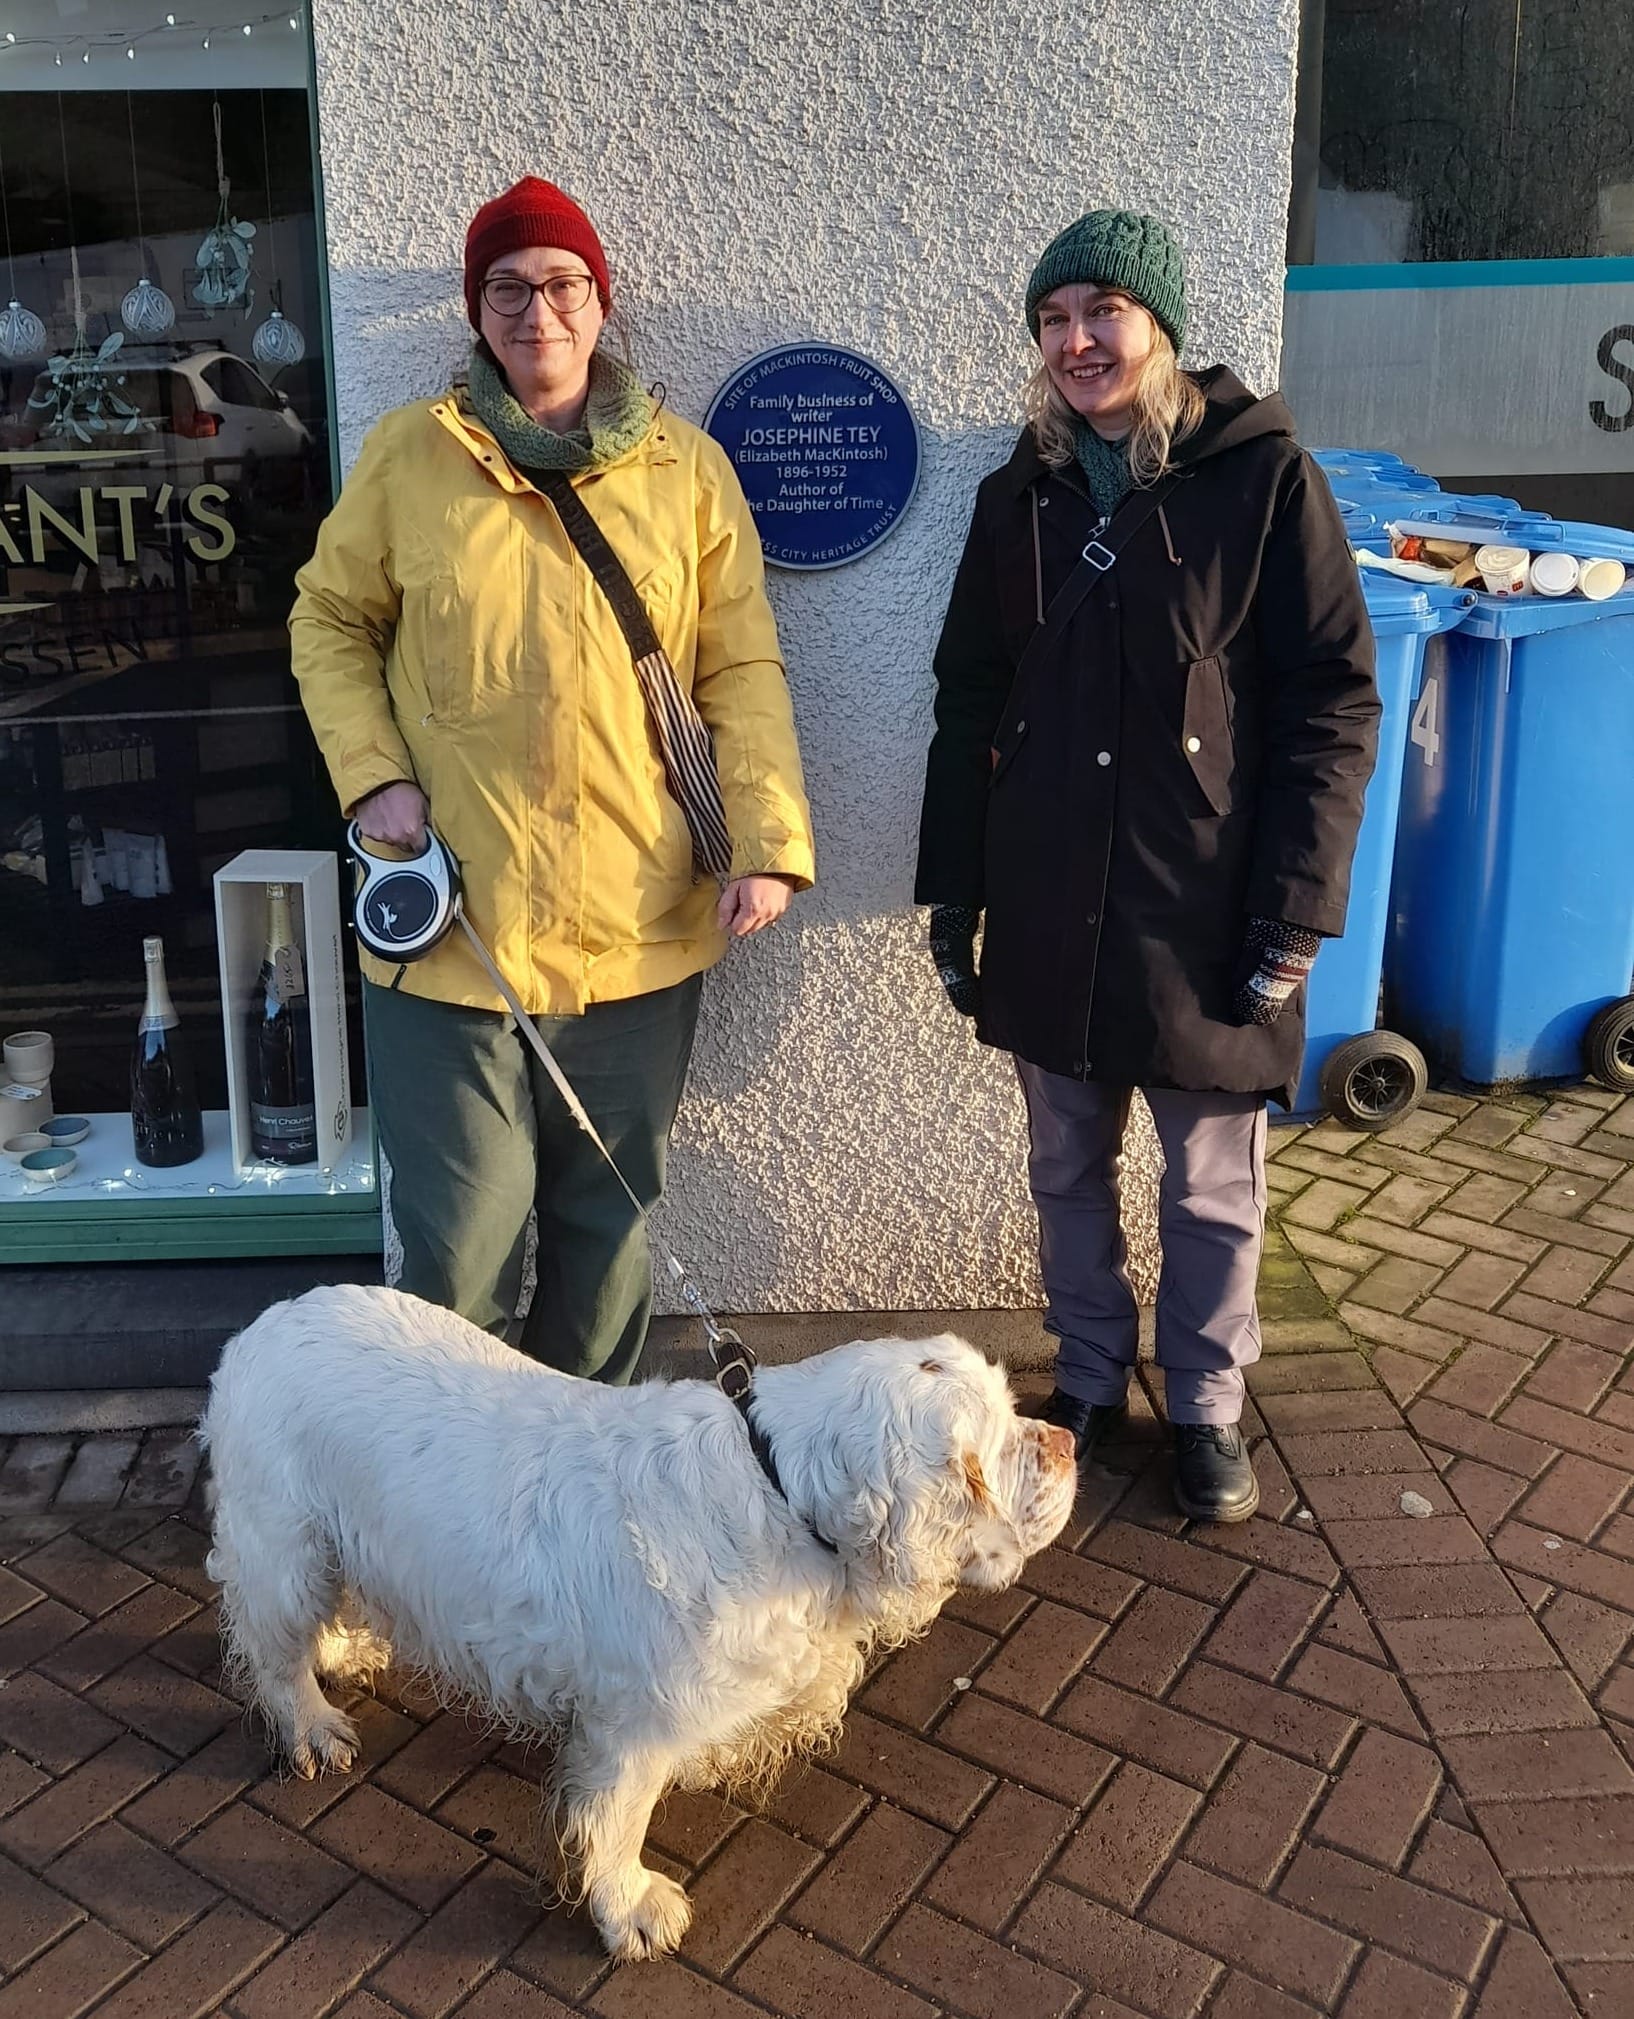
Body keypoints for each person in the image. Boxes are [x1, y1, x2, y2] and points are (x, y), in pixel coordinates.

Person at [291, 177, 815, 1384]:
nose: (537, 310)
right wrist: (372, 784)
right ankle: (444, 1513)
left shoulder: (686, 470)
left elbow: (737, 662)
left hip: (637, 926)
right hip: (453, 933)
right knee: (459, 1252)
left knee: (605, 1239)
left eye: (561, 283)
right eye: (508, 287)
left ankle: (576, 1494)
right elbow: (326, 619)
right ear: (477, 312)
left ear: (600, 302)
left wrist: (765, 842)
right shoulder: (411, 455)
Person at [916, 210, 1379, 1522]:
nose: (1075, 341)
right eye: (1053, 320)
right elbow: (968, 697)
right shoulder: (1018, 498)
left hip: (1208, 905)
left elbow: (1331, 702)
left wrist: (1296, 907)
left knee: (1209, 1181)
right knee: (1063, 1165)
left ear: (1158, 327)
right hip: (1052, 896)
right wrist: (957, 885)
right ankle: (1086, 1374)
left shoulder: (1260, 478)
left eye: (1099, 313)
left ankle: (1205, 1402)